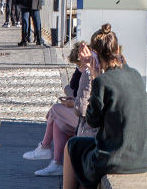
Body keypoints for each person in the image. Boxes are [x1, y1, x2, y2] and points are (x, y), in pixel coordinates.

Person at [39, 24, 147, 189]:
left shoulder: (102, 80)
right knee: (81, 156)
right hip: (142, 155)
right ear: (118, 51)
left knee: (74, 148)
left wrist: (93, 79)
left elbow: (91, 118)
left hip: (118, 156)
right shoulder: (136, 75)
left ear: (97, 56)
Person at [25, 40, 98, 176]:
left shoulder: (89, 74)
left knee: (55, 110)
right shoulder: (87, 72)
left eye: (78, 65)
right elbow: (73, 89)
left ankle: (45, 147)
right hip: (88, 119)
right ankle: (56, 162)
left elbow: (82, 106)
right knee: (58, 121)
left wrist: (73, 102)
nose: (77, 68)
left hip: (89, 123)